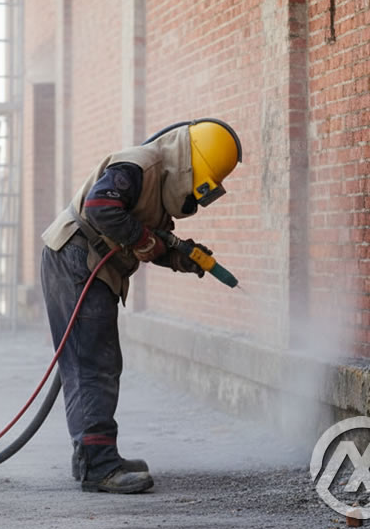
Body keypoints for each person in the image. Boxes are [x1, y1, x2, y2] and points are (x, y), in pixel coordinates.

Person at [39, 119, 242, 493]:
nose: (192, 203)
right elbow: (102, 208)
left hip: (85, 261)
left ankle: (90, 456)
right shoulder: (138, 165)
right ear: (190, 167)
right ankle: (99, 466)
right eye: (197, 192)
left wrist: (181, 257)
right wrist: (147, 241)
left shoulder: (158, 181)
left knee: (93, 361)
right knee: (93, 363)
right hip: (77, 258)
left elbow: (147, 237)